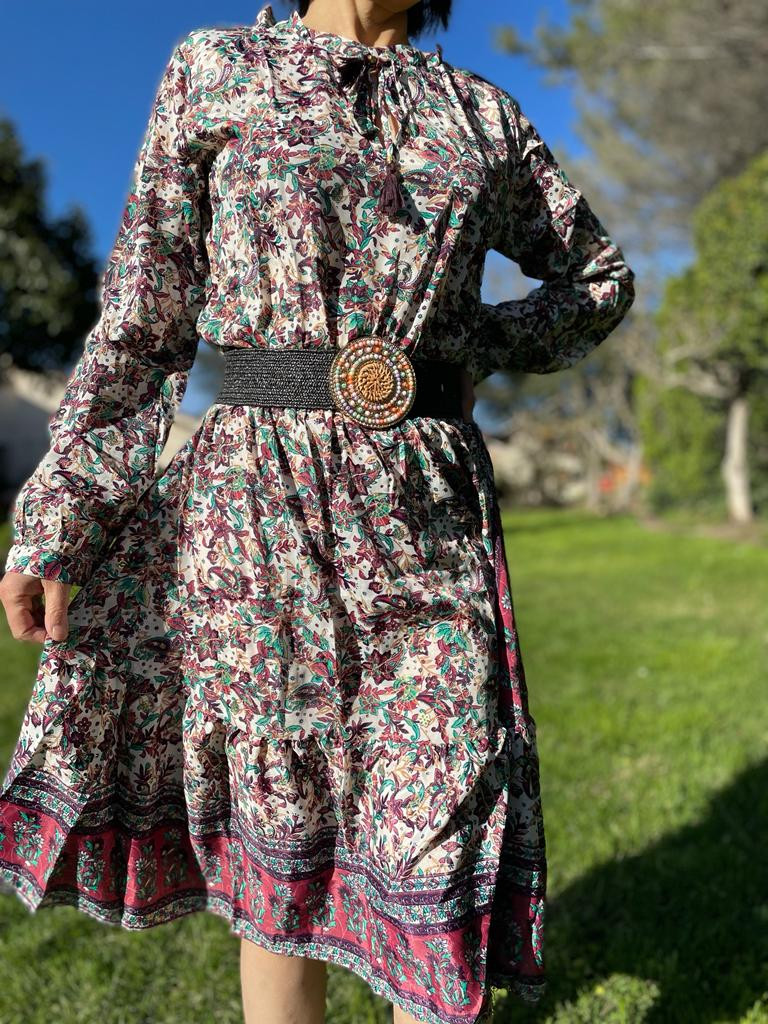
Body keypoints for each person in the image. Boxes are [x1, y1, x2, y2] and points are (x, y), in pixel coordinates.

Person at [0, 1, 635, 1022]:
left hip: (428, 515)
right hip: (257, 514)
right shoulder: (217, 69)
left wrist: (467, 341)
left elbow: (598, 280)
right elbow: (143, 321)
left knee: (442, 819)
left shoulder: (483, 115)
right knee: (280, 850)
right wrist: (61, 516)